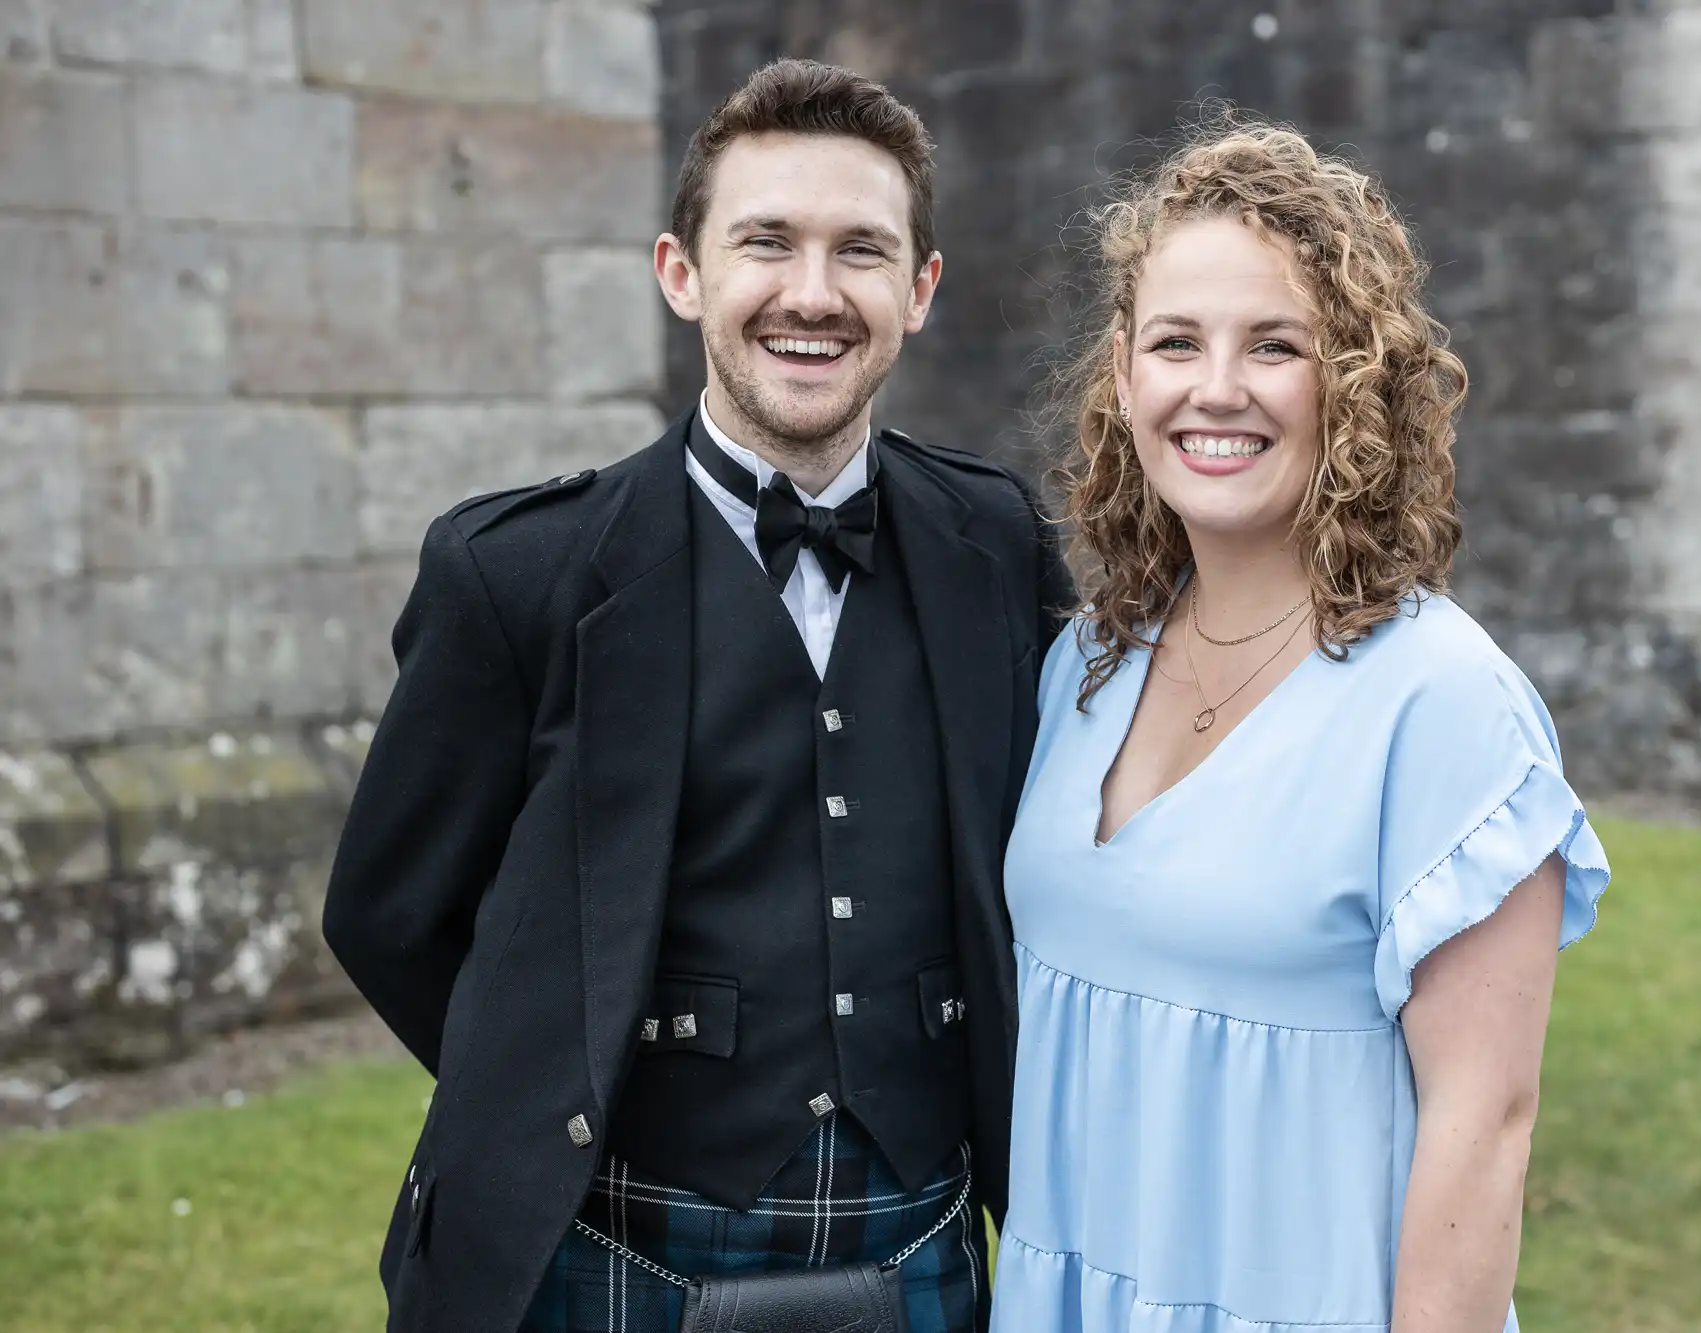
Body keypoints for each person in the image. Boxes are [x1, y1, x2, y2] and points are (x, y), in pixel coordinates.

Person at [323, 59, 1070, 1333]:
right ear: (683, 273)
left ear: (921, 289)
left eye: (862, 251)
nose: (812, 295)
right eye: (765, 244)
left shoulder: (991, 543)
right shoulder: (518, 573)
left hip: (920, 1233)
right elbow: (391, 912)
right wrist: (553, 1078)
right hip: (610, 1237)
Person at [993, 121, 1612, 1333]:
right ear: (1122, 379)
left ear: (1349, 378)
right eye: (1177, 342)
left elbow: (1481, 1129)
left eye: (1272, 345)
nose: (1214, 388)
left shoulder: (1440, 705)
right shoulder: (1084, 664)